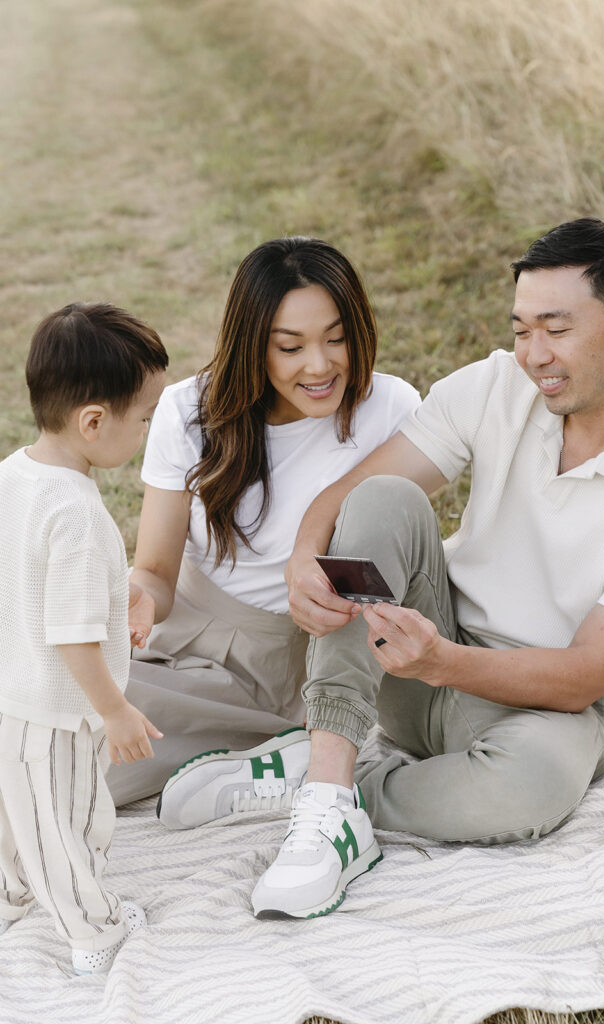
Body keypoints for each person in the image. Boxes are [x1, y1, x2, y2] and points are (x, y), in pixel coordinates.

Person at [159, 218, 604, 920]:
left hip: (540, 705)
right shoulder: (495, 386)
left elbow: (584, 675)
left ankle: (331, 780)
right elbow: (352, 495)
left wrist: (442, 664)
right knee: (386, 497)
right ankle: (328, 791)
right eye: (521, 329)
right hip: (412, 661)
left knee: (529, 793)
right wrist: (301, 562)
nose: (532, 355)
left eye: (554, 330)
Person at [107, 236, 420, 809]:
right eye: (290, 347)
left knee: (76, 751)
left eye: (337, 338)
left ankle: (289, 751)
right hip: (174, 638)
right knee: (42, 691)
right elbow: (155, 571)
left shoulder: (391, 411)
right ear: (254, 345)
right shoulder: (190, 410)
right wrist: (139, 596)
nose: (320, 365)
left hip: (275, 668)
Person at [0, 303, 168, 972]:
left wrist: (112, 595)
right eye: (145, 418)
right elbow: (72, 641)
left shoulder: (15, 476)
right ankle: (93, 934)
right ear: (93, 421)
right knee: (65, 825)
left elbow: (27, 578)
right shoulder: (75, 512)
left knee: (17, 818)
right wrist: (113, 710)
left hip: (11, 693)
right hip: (58, 713)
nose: (149, 432)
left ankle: (12, 895)